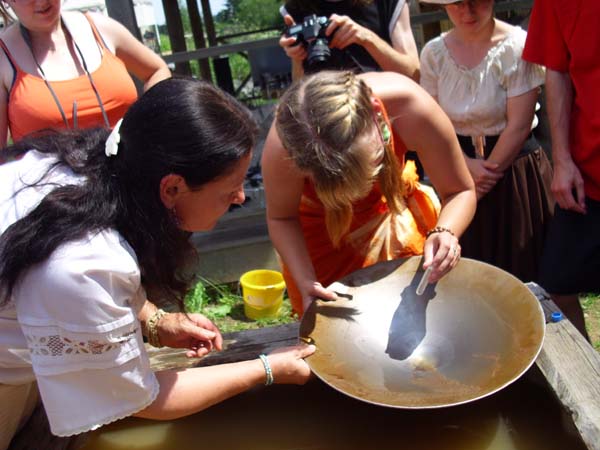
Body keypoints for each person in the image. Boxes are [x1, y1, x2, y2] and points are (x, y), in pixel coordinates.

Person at [0, 77, 314, 447]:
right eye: (229, 190)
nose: (242, 197)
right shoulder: (84, 264)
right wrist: (267, 368)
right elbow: (139, 398)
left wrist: (153, 320)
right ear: (171, 188)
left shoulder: (100, 166)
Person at [261, 70, 476, 316]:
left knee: (414, 312)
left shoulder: (410, 107)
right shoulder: (286, 146)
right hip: (321, 235)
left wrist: (446, 231)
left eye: (372, 166)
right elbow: (281, 218)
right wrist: (307, 282)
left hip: (390, 211)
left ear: (376, 113)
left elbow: (460, 190)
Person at [419, 0, 554, 283]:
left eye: (476, 1)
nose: (467, 11)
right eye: (456, 4)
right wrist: (464, 167)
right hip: (456, 170)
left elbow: (518, 125)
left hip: (515, 173)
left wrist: (483, 178)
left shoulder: (517, 45)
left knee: (525, 272)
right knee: (466, 277)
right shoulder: (433, 53)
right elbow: (432, 122)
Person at [522, 0, 599, 338]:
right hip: (588, 173)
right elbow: (558, 70)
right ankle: (588, 381)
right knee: (555, 290)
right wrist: (562, 159)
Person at [0, 0, 170, 146]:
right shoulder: (3, 55)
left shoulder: (101, 28)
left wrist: (147, 121)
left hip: (128, 175)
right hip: (48, 183)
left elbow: (157, 70)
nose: (42, 1)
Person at [279, 0, 419, 80]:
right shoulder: (296, 8)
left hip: (384, 109)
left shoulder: (387, 3)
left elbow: (414, 74)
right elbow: (298, 86)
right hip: (327, 115)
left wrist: (367, 39)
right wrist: (297, 56)